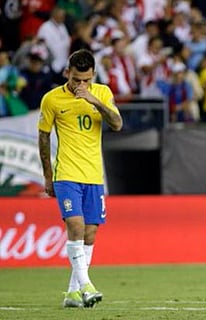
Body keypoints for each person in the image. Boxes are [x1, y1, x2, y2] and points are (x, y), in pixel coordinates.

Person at [38, 49, 123, 308]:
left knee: (90, 232)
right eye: (76, 80)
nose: (81, 85)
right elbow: (43, 137)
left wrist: (95, 101)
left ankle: (72, 293)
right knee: (75, 226)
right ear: (67, 73)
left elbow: (117, 124)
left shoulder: (103, 93)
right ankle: (86, 286)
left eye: (86, 80)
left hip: (94, 175)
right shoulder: (52, 100)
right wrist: (48, 176)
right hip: (67, 174)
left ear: (93, 75)